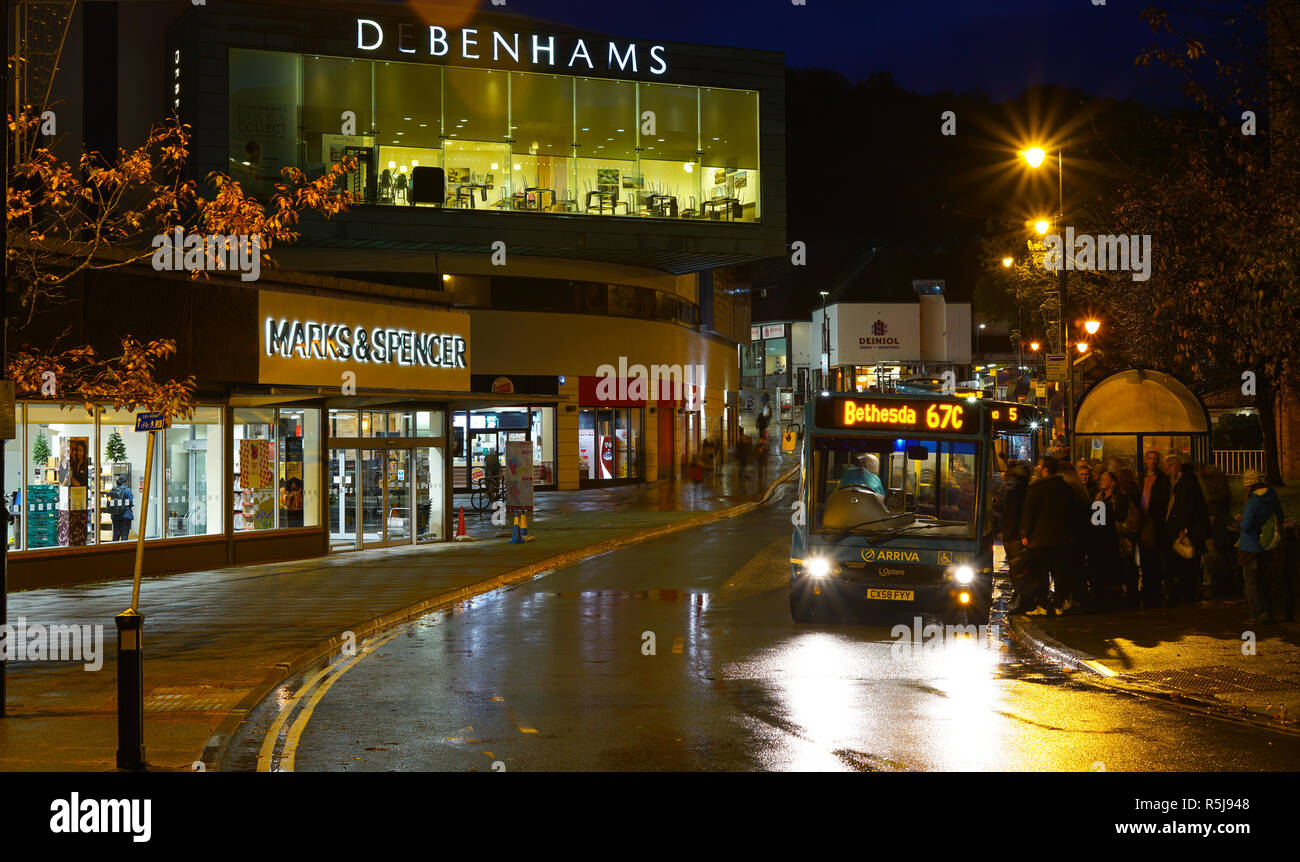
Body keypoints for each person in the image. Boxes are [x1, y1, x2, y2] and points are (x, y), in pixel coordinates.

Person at [1015, 455, 1075, 615]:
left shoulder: (1037, 488)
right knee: (1059, 573)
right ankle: (1059, 604)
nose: (1037, 469)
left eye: (1039, 467)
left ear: (1045, 470)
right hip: (1060, 539)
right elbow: (1070, 513)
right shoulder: (1065, 488)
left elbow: (1029, 513)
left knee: (1040, 574)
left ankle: (1042, 604)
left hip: (1039, 540)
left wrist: (1024, 533)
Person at [1238, 468, 1284, 625]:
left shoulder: (1253, 501)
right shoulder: (1271, 496)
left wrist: (1241, 520)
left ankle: (1258, 615)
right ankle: (1269, 613)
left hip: (1250, 546)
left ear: (1249, 485)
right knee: (1264, 582)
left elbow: (1246, 525)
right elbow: (1280, 517)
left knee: (1252, 584)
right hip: (1267, 545)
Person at [1162, 454, 1210, 605]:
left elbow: (1187, 506)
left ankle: (1188, 592)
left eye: (1170, 466)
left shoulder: (1185, 480)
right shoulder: (1185, 479)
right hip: (1187, 527)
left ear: (1177, 466)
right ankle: (1188, 591)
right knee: (1187, 560)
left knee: (1187, 560)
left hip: (1187, 529)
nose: (1168, 470)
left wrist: (1184, 528)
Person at [1089, 471, 1131, 610]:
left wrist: (1103, 512)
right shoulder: (1099, 497)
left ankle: (1116, 597)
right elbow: (1096, 519)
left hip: (1114, 537)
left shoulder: (1118, 498)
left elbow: (1119, 516)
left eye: (1104, 479)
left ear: (1112, 482)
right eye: (1101, 479)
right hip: (1100, 538)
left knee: (1114, 567)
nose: (1101, 481)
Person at [1055, 457, 1092, 611]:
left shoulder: (1067, 486)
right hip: (1080, 534)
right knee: (1078, 567)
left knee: (1069, 568)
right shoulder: (1079, 487)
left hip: (1071, 535)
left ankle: (1071, 599)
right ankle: (1079, 598)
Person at [1136, 449, 1171, 608]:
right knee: (1145, 556)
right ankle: (1148, 588)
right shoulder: (1141, 477)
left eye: (1155, 459)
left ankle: (1154, 589)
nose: (1153, 461)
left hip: (1154, 521)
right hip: (1143, 520)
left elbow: (1163, 500)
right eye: (1150, 458)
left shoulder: (1162, 479)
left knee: (1154, 557)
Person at [1197, 462, 1234, 598]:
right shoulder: (1210, 478)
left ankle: (1217, 579)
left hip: (1214, 517)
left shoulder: (1215, 478)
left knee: (1214, 548)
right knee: (1212, 549)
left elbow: (1222, 497)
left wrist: (1207, 500)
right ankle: (1216, 578)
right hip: (1212, 517)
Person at [1001, 460, 1031, 576]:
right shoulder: (1027, 487)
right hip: (1023, 535)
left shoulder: (1012, 489)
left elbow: (1011, 515)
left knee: (1017, 569)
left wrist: (1007, 535)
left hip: (1014, 537)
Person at [110, 475, 134, 542]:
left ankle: (114, 547)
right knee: (124, 536)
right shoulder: (128, 490)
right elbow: (131, 502)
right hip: (125, 516)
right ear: (125, 482)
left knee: (116, 535)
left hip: (115, 515)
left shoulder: (113, 490)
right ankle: (124, 548)